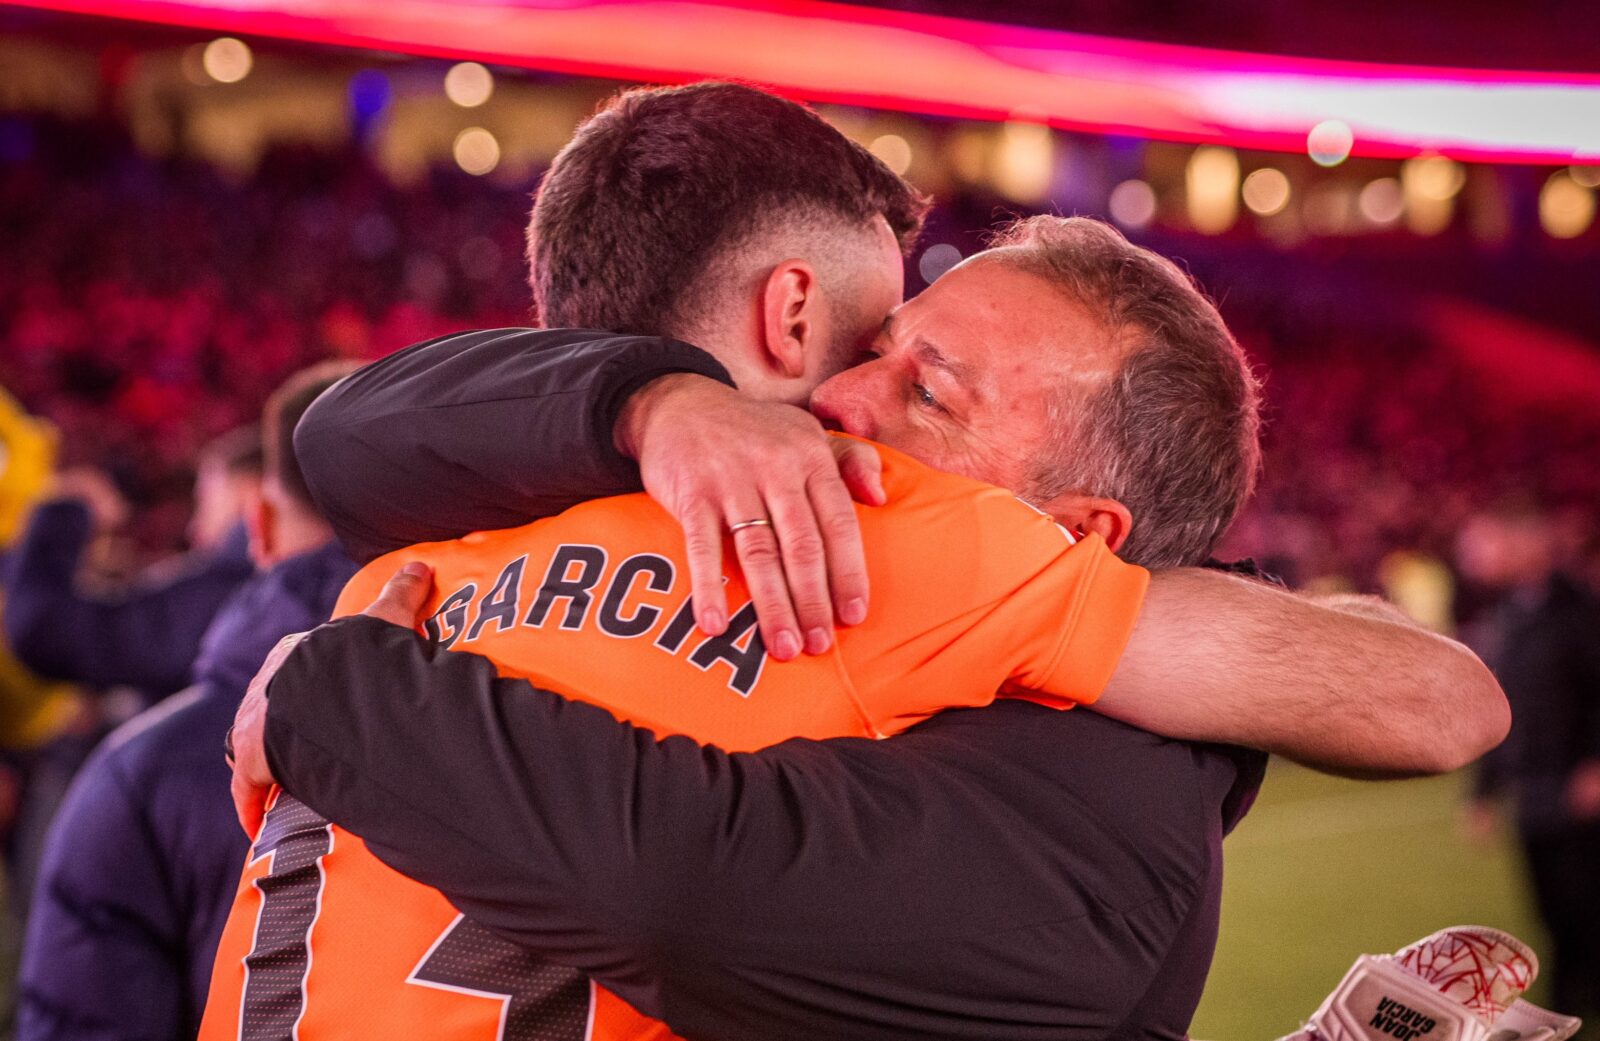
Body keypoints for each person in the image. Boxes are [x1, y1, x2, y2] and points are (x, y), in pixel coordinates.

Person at [220, 83, 1504, 1040]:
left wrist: (342, 688)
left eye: (927, 389)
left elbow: (341, 431)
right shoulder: (884, 543)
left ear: (1079, 530)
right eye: (874, 341)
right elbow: (1442, 701)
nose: (843, 400)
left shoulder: (448, 522)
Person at [16, 366, 358, 1041]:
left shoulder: (146, 766)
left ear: (252, 514)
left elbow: (47, 628)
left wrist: (62, 511)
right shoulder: (512, 709)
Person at [1458, 501, 1600, 1025]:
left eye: (1485, 541)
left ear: (1528, 541)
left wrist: (1595, 764)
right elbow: (1504, 709)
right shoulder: (1512, 614)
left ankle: (1573, 1005)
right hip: (1533, 795)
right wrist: (1482, 793)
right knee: (1552, 910)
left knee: (1584, 905)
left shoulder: (1580, 606)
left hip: (1577, 790)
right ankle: (1574, 1002)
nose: (1473, 555)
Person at [2, 427, 261, 700]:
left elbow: (46, 633)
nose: (193, 529)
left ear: (248, 492)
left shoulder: (236, 591)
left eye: (205, 502)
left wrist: (65, 512)